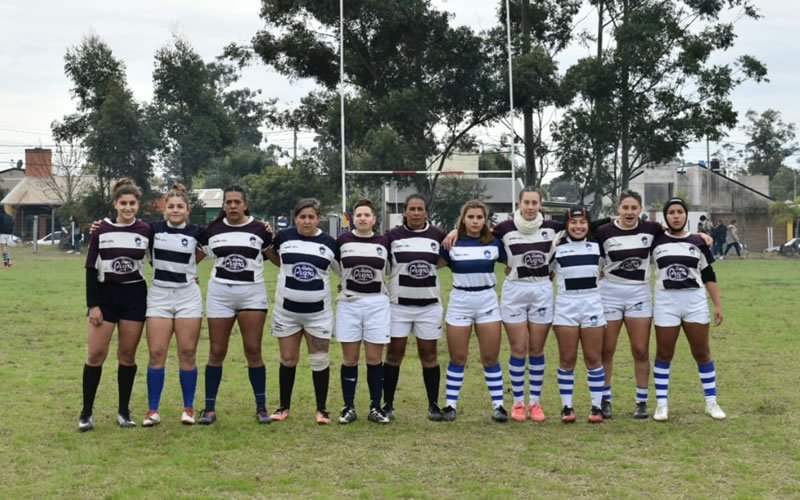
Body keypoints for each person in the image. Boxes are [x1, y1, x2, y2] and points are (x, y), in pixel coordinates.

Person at [78, 178, 153, 431]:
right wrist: (93, 305)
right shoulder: (101, 230)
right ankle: (86, 413)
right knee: (96, 354)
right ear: (115, 204)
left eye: (132, 203)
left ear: (138, 205)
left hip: (134, 298)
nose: (128, 207)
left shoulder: (146, 230)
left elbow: (160, 261)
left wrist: (189, 274)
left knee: (127, 356)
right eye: (123, 203)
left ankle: (124, 411)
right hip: (105, 297)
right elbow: (90, 269)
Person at [197, 185, 274, 425]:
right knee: (217, 352)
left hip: (252, 294)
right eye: (228, 202)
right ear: (223, 206)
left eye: (236, 202)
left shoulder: (261, 229)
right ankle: (209, 408)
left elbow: (279, 258)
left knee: (253, 350)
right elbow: (192, 258)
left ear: (245, 205)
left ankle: (261, 408)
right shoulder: (212, 231)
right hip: (221, 294)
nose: (232, 206)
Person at [490, 187, 563, 422]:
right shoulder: (504, 228)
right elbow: (476, 233)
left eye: (534, 203)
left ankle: (535, 402)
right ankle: (518, 402)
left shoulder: (553, 228)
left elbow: (586, 226)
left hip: (542, 289)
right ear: (519, 204)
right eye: (526, 202)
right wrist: (452, 232)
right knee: (519, 349)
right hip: (515, 290)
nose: (530, 207)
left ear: (541, 204)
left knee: (537, 350)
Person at [651, 197, 726, 421]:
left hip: (694, 301)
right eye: (671, 212)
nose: (676, 215)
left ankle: (711, 402)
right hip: (666, 301)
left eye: (680, 212)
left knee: (702, 353)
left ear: (686, 215)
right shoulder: (655, 240)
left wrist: (718, 304)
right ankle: (661, 404)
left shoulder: (698, 241)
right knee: (664, 353)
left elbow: (708, 274)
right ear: (666, 216)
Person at [267, 198, 339, 425]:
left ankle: (321, 410)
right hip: (287, 312)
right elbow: (272, 256)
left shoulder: (329, 243)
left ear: (319, 219)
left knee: (319, 359)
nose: (306, 221)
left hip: (318, 314)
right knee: (288, 359)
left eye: (311, 217)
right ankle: (283, 407)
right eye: (302, 217)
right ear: (295, 218)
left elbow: (342, 270)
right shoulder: (284, 238)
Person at [595, 190, 664, 420]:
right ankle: (605, 399)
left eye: (634, 208)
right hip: (610, 293)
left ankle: (641, 401)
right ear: (618, 209)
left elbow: (677, 234)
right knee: (607, 349)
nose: (629, 212)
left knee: (641, 349)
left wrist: (701, 236)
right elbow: (579, 231)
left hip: (639, 293)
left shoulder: (651, 229)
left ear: (640, 210)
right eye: (625, 207)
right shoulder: (604, 231)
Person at [141, 184, 206, 427]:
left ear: (188, 210)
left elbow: (216, 240)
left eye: (180, 206)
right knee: (157, 352)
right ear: (164, 209)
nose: (175, 210)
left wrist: (190, 270)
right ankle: (152, 410)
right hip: (159, 295)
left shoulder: (197, 232)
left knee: (187, 352)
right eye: (171, 206)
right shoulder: (152, 230)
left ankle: (188, 408)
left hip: (188, 296)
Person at [439, 200, 508, 423]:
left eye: (480, 217)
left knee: (490, 357)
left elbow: (515, 259)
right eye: (471, 217)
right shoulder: (452, 243)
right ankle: (450, 405)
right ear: (463, 219)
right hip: (460, 300)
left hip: (487, 301)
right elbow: (434, 262)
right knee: (458, 357)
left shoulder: (495, 243)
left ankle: (498, 406)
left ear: (485, 220)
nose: (475, 221)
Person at [383, 194, 447, 421]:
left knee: (429, 355)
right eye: (412, 209)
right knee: (393, 354)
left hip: (428, 306)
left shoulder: (438, 235)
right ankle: (387, 404)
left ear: (426, 212)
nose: (417, 213)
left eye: (421, 209)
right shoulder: (392, 236)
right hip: (398, 306)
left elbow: (445, 258)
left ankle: (433, 405)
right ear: (405, 212)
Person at [334, 199, 391, 424]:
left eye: (367, 214)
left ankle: (375, 407)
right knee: (350, 359)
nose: (363, 218)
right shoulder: (342, 241)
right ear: (353, 218)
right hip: (349, 303)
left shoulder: (384, 241)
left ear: (374, 219)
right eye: (359, 215)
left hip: (377, 303)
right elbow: (337, 268)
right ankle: (349, 407)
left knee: (375, 359)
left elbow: (389, 268)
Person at [550, 206, 607, 423]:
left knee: (593, 358)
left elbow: (605, 269)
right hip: (566, 306)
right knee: (567, 359)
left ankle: (596, 406)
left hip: (592, 304)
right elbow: (547, 272)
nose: (578, 226)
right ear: (566, 225)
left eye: (582, 222)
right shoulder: (557, 249)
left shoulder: (597, 248)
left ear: (588, 225)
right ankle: (567, 407)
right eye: (573, 222)